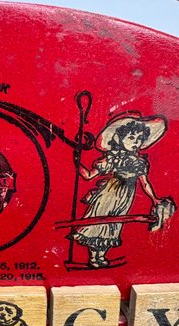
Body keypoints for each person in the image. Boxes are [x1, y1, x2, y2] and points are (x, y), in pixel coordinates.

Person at [70, 111, 170, 268]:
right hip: (108, 195)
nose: (135, 142)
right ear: (118, 138)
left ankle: (101, 255)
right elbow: (89, 176)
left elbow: (145, 183)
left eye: (139, 138)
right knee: (99, 224)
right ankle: (94, 256)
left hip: (125, 199)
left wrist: (154, 199)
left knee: (114, 227)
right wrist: (76, 162)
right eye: (131, 137)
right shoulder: (112, 158)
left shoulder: (139, 162)